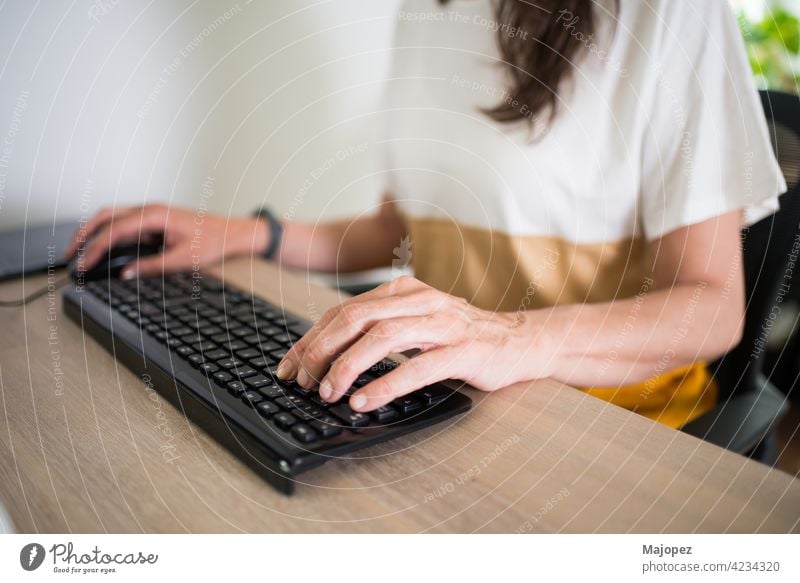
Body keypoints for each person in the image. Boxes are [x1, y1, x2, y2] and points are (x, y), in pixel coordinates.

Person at [65, 0, 785, 427]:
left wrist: (502, 336)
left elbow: (712, 309)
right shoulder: (428, 10)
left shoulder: (669, 15)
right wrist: (253, 232)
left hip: (608, 421)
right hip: (444, 401)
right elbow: (397, 230)